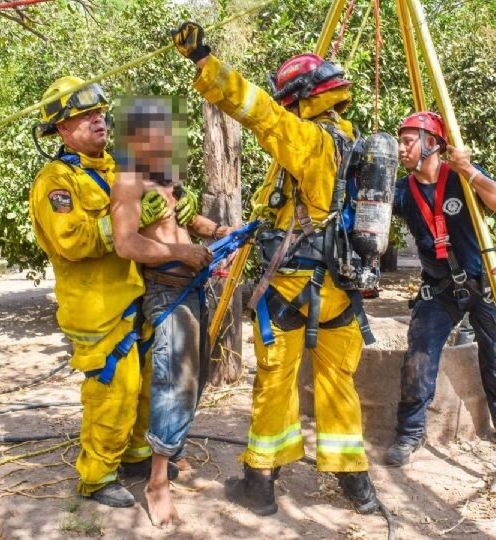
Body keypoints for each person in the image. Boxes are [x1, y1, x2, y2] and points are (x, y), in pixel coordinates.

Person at [170, 22, 380, 516]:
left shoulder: (307, 141)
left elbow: (257, 110)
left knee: (275, 384)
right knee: (337, 386)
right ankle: (358, 487)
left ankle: (260, 485)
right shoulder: (353, 147)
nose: (283, 110)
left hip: (291, 290)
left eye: (289, 102)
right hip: (340, 292)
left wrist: (204, 60)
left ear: (301, 100)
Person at [29, 77, 171, 507]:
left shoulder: (116, 168)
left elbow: (155, 205)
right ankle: (96, 476)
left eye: (100, 114)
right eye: (84, 116)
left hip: (133, 295)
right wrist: (123, 224)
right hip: (95, 307)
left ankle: (135, 456)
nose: (98, 121)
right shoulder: (56, 182)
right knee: (114, 390)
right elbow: (71, 241)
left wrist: (172, 204)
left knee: (146, 382)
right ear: (61, 129)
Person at [110, 97, 231, 527]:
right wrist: (181, 252)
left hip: (193, 287)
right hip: (165, 291)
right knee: (173, 380)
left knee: (195, 379)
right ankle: (156, 480)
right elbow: (126, 244)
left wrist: (220, 233)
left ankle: (171, 453)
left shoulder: (166, 178)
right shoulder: (128, 182)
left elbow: (187, 218)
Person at [387, 111, 496, 466]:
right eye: (400, 141)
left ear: (431, 144)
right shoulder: (403, 192)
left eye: (408, 141)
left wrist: (470, 170)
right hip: (439, 289)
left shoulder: (461, 179)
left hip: (481, 283)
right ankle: (409, 433)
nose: (401, 148)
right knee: (419, 357)